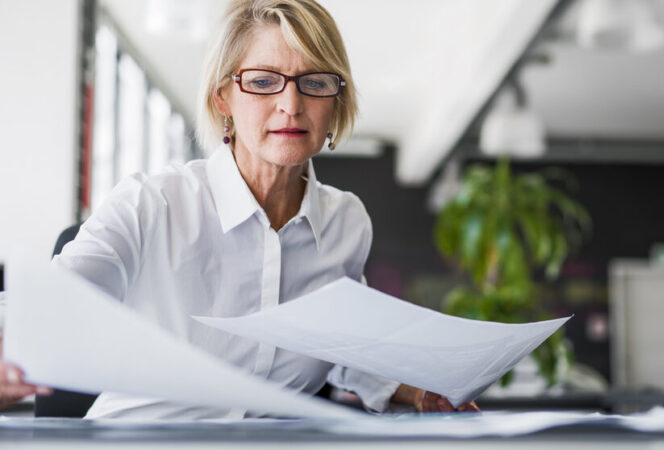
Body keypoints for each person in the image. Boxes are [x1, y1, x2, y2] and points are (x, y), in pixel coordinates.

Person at [0, 0, 478, 418]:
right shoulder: (152, 204)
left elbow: (337, 341)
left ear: (336, 100)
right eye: (264, 81)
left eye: (314, 82)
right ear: (223, 97)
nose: (290, 105)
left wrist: (409, 387)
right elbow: (46, 305)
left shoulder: (344, 223)